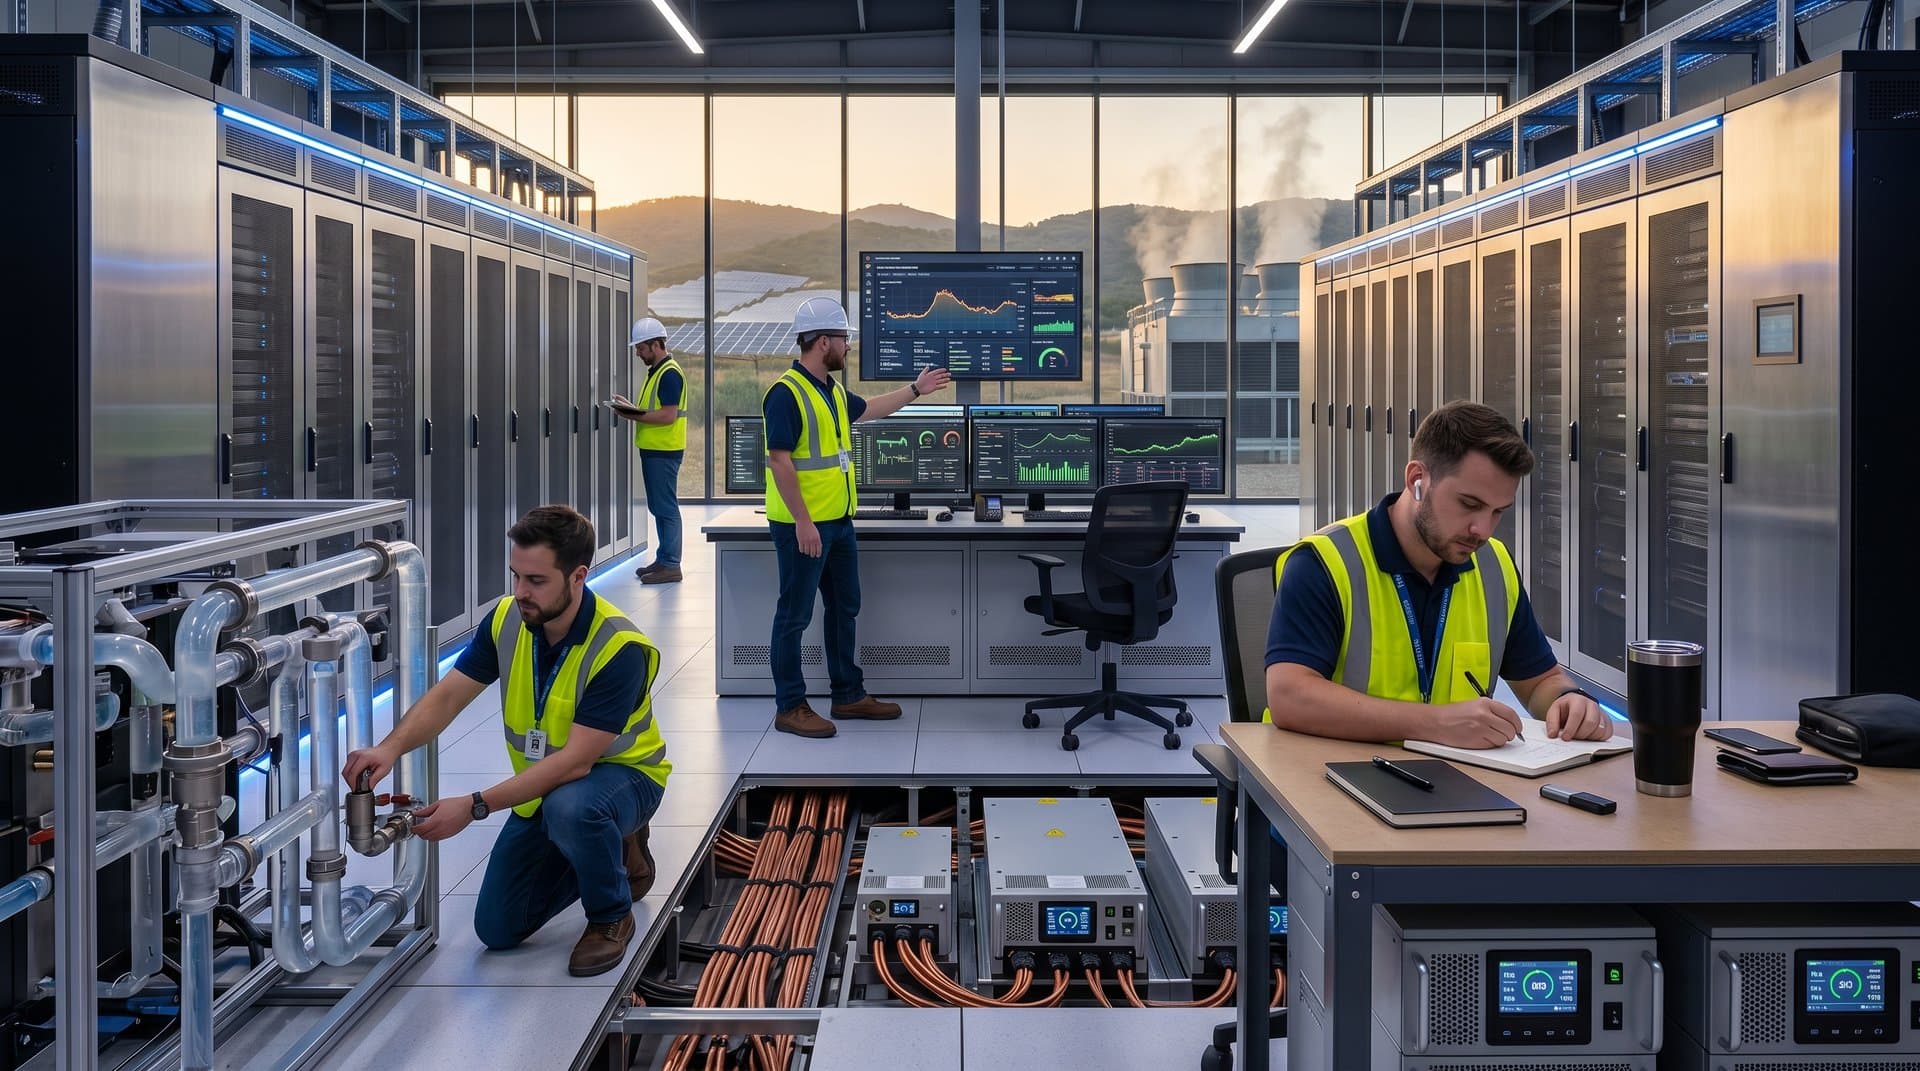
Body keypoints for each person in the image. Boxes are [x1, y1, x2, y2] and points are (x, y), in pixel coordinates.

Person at [342, 506, 670, 977]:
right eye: (515, 575)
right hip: (547, 790)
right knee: (497, 927)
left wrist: (475, 805)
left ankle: (610, 915)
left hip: (623, 779)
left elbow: (575, 763)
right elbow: (449, 696)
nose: (520, 592)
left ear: (578, 576)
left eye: (536, 580)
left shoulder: (619, 649)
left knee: (574, 808)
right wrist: (389, 747)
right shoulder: (507, 619)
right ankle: (608, 848)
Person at [1265, 401, 1614, 748]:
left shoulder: (1493, 567)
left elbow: (1540, 681)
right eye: (1469, 504)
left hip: (1454, 782)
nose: (1482, 530)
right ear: (1417, 480)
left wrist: (1569, 700)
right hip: (1328, 778)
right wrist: (1437, 724)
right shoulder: (1325, 563)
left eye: (1498, 512)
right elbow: (1289, 696)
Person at [762, 296, 952, 738]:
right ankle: (790, 706)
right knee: (793, 616)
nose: (848, 348)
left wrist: (915, 390)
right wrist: (804, 522)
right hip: (803, 527)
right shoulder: (786, 394)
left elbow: (868, 409)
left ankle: (848, 694)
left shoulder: (828, 390)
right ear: (823, 340)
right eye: (844, 340)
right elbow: (780, 463)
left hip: (839, 523)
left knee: (844, 608)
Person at [611, 316, 686, 584]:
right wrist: (630, 406)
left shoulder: (669, 374)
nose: (638, 352)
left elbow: (667, 416)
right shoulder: (657, 372)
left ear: (656, 345)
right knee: (660, 507)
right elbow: (654, 410)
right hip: (655, 450)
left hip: (664, 451)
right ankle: (664, 559)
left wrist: (632, 416)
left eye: (641, 348)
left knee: (665, 508)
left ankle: (671, 564)